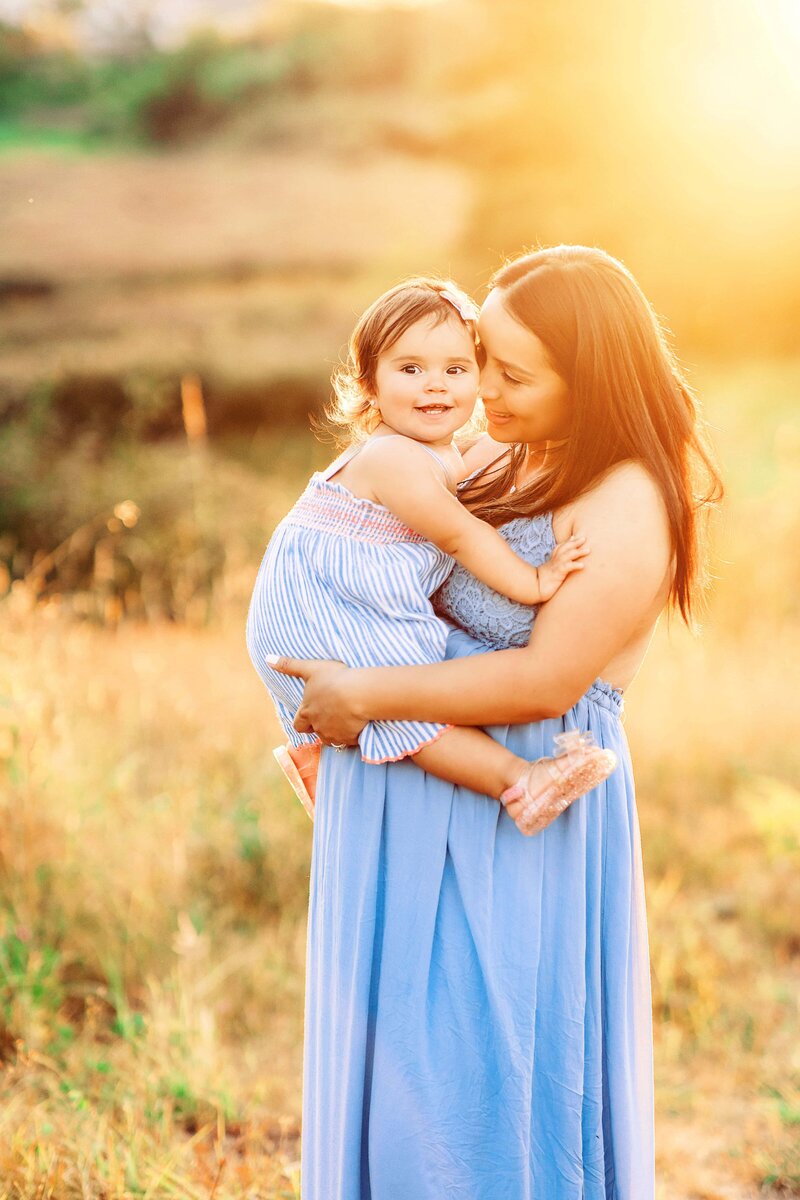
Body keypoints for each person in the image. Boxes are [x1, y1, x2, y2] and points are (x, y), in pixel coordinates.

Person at [262, 245, 722, 1199]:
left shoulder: (629, 493)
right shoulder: (505, 448)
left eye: (510, 373)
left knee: (483, 1092)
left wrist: (365, 698)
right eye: (483, 359)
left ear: (588, 378)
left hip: (521, 803)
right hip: (412, 789)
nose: (486, 391)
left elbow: (548, 681)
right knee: (403, 1086)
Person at [247, 277, 616, 830]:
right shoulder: (394, 458)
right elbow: (462, 536)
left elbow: (505, 461)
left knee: (407, 685)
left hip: (330, 601)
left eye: (456, 369)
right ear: (369, 381)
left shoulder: (439, 452)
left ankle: (319, 764)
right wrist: (534, 582)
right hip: (318, 606)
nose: (435, 387)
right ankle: (519, 781)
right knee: (405, 699)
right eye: (410, 369)